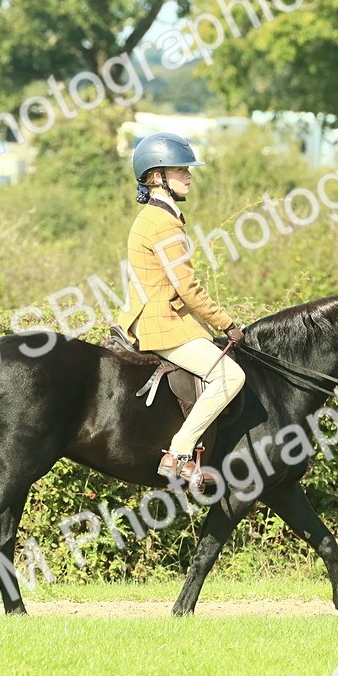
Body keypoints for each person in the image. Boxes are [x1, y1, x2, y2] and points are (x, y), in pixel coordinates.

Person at [114, 132, 247, 486]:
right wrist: (227, 323)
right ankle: (179, 452)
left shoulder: (157, 216)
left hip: (164, 318)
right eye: (180, 170)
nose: (189, 175)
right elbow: (187, 287)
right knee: (231, 376)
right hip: (163, 324)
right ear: (156, 176)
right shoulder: (162, 223)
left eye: (188, 169)